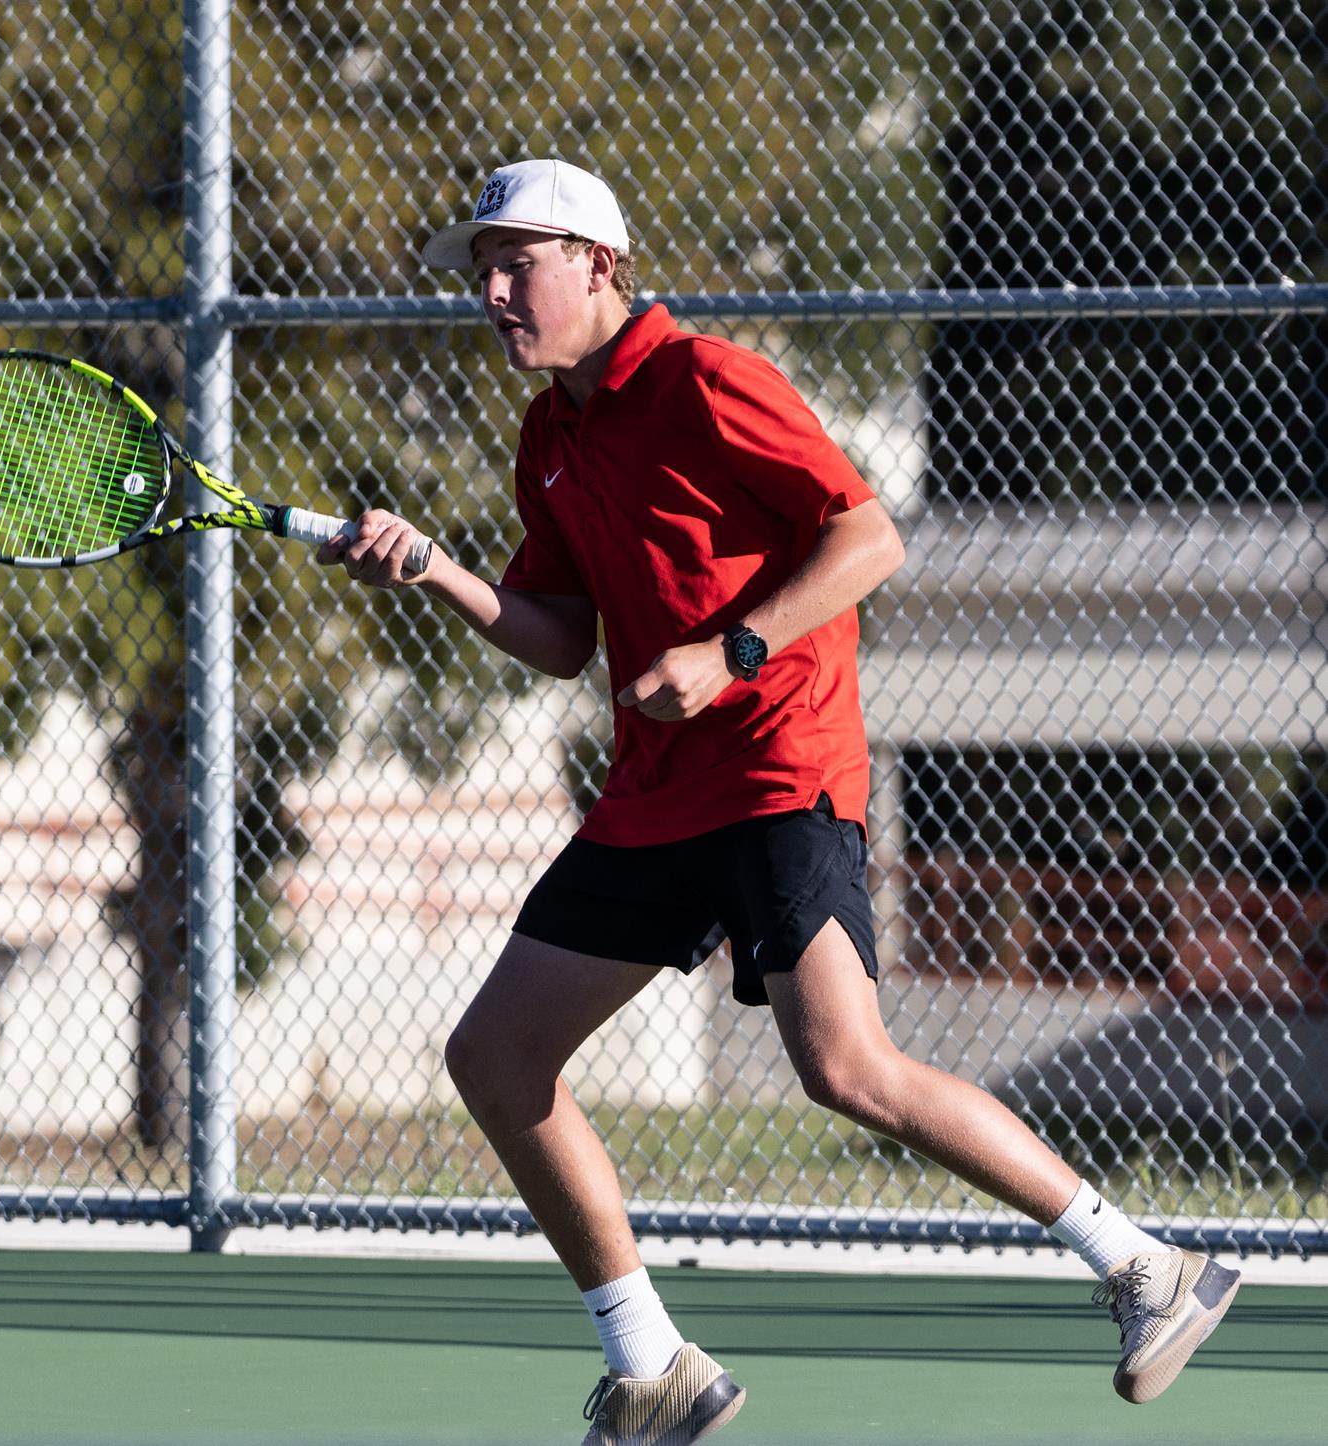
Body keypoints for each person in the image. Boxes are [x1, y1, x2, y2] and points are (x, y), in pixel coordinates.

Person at [322, 158, 1241, 1445]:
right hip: (655, 794)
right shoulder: (551, 435)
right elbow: (559, 637)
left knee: (844, 1067)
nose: (490, 290)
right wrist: (435, 573)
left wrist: (730, 651)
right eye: (481, 266)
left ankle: (1146, 1266)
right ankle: (654, 1367)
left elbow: (867, 538)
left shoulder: (707, 379)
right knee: (497, 1055)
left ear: (598, 263)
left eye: (516, 260)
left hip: (778, 769)